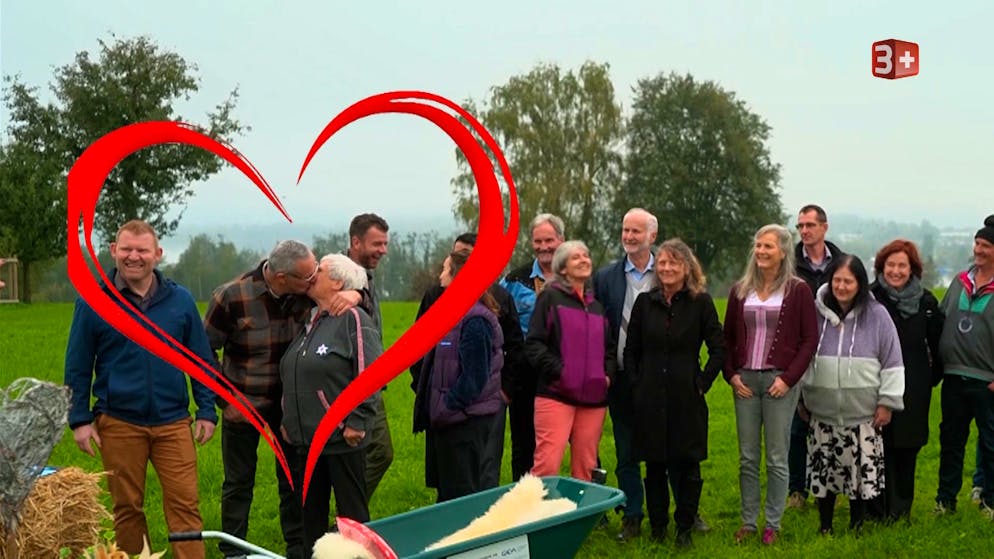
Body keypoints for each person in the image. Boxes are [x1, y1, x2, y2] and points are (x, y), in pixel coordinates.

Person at [64, 220, 217, 559]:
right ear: (114, 251)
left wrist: (206, 408)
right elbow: (77, 366)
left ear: (158, 254)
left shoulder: (180, 300)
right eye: (127, 249)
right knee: (127, 508)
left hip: (173, 421)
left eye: (142, 250)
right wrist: (79, 419)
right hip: (118, 421)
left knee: (185, 507)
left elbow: (201, 359)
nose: (134, 256)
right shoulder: (92, 302)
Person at [204, 239, 330, 559]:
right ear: (280, 277)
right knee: (238, 482)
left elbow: (355, 300)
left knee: (293, 480)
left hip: (290, 408)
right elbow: (203, 351)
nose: (314, 279)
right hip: (243, 407)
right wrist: (225, 399)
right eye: (307, 275)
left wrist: (351, 293)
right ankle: (235, 551)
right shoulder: (231, 296)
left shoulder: (304, 296)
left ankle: (298, 549)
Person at [623, 239, 725, 547]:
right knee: (654, 465)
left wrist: (703, 382)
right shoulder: (645, 302)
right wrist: (636, 383)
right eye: (663, 263)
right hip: (650, 396)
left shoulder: (701, 303)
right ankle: (657, 528)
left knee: (687, 464)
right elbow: (631, 350)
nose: (667, 268)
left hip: (686, 395)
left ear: (687, 268)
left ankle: (684, 529)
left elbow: (719, 348)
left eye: (674, 263)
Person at [723, 224, 818, 545]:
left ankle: (772, 524)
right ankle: (749, 522)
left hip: (780, 381)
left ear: (782, 252)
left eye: (768, 247)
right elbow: (727, 339)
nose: (761, 251)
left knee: (777, 456)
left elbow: (809, 340)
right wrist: (731, 375)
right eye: (758, 246)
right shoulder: (741, 289)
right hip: (746, 381)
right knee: (748, 457)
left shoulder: (797, 290)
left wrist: (789, 379)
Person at [280, 254, 381, 554]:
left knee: (352, 518)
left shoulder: (353, 319)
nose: (313, 274)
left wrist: (357, 420)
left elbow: (370, 372)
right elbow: (294, 371)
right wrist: (289, 418)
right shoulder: (310, 320)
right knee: (310, 517)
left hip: (340, 438)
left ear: (337, 281)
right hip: (306, 440)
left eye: (320, 270)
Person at [801, 255, 905, 534]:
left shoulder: (878, 315)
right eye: (837, 280)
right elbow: (801, 356)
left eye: (849, 281)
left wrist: (887, 403)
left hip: (863, 414)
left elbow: (893, 362)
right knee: (825, 473)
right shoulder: (814, 313)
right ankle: (825, 526)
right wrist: (802, 398)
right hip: (822, 412)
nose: (842, 286)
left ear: (860, 284)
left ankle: (857, 524)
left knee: (857, 475)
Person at [411, 233, 523, 489]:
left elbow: (474, 377)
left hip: (462, 422)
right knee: (448, 491)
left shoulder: (475, 320)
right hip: (449, 421)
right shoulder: (452, 312)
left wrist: (446, 406)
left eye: (445, 270)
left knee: (463, 492)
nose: (440, 276)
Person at [525, 240, 615, 482]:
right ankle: (542, 519)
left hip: (593, 400)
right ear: (562, 268)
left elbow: (609, 348)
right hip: (556, 396)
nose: (584, 260)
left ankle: (580, 518)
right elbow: (534, 344)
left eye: (586, 256)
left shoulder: (596, 306)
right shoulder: (550, 299)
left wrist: (606, 376)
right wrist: (561, 373)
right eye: (576, 257)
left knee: (586, 467)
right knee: (547, 465)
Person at [593, 208, 657, 540]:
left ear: (652, 236)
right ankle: (632, 515)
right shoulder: (606, 277)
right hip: (620, 379)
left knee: (669, 450)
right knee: (626, 451)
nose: (629, 236)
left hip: (661, 381)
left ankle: (680, 513)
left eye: (636, 231)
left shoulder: (670, 271)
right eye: (625, 230)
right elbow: (600, 328)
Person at [870, 240, 944, 521]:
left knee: (906, 447)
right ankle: (875, 508)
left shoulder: (926, 302)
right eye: (890, 265)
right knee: (877, 445)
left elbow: (939, 347)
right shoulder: (870, 298)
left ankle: (900, 510)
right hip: (875, 385)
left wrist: (928, 379)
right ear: (881, 267)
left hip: (914, 387)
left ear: (912, 269)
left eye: (902, 265)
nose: (896, 271)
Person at [935, 214, 994, 518]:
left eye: (986, 245)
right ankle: (945, 501)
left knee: (991, 444)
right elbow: (941, 320)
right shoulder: (960, 282)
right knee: (951, 442)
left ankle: (990, 503)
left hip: (987, 381)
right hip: (954, 378)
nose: (979, 250)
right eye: (977, 243)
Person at [788, 204, 846, 509]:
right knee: (797, 425)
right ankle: (796, 490)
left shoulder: (842, 263)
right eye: (800, 226)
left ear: (824, 227)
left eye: (810, 225)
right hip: (798, 349)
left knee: (831, 421)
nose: (805, 231)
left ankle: (830, 488)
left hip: (832, 348)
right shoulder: (790, 263)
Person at [501, 214, 566, 479]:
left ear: (561, 240)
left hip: (567, 370)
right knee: (524, 442)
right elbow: (502, 321)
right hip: (526, 374)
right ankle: (525, 505)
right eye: (538, 241)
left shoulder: (578, 275)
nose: (543, 247)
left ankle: (587, 503)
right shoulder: (515, 280)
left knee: (580, 440)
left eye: (549, 240)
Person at [345, 213, 395, 500]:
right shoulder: (339, 277)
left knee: (376, 452)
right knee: (377, 452)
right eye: (377, 244)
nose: (383, 251)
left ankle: (347, 515)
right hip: (352, 384)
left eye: (385, 244)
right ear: (356, 241)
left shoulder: (366, 277)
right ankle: (347, 516)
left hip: (372, 383)